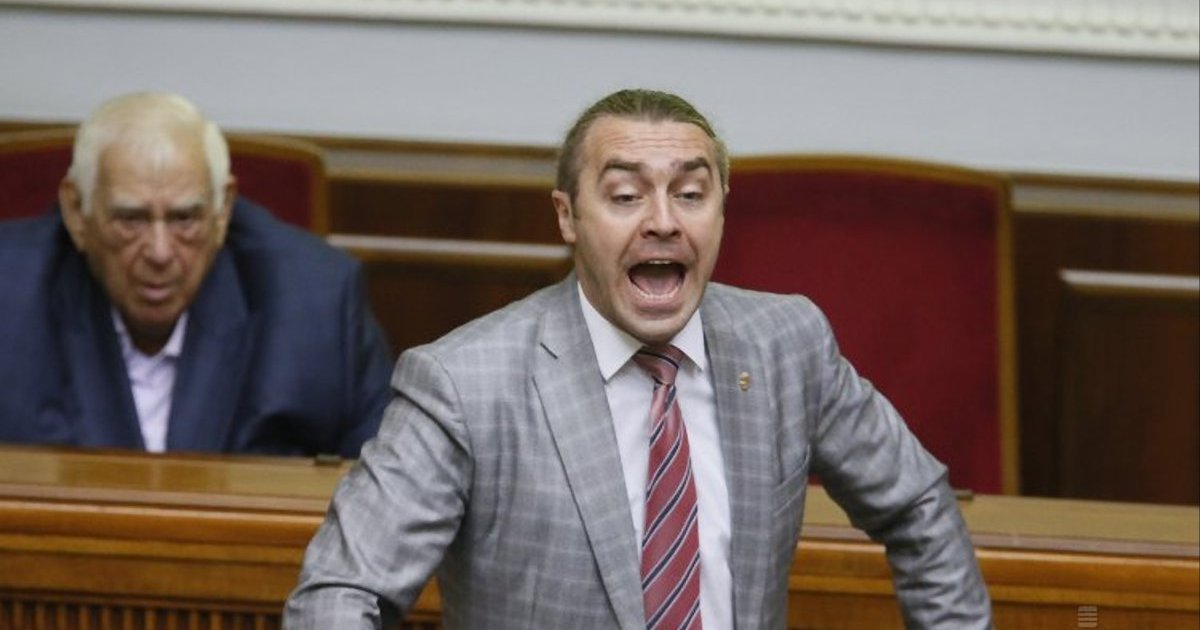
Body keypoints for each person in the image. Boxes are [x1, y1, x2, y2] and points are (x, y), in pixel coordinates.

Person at [285, 89, 991, 627]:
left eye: (691, 194)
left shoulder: (787, 345)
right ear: (567, 216)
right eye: (626, 195)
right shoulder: (464, 384)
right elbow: (341, 593)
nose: (663, 221)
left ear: (721, 210)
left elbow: (919, 505)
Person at [0, 92, 394, 457]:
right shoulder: (10, 295)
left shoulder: (317, 302)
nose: (159, 252)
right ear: (76, 211)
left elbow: (385, 488)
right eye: (130, 219)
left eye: (184, 219)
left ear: (222, 211)